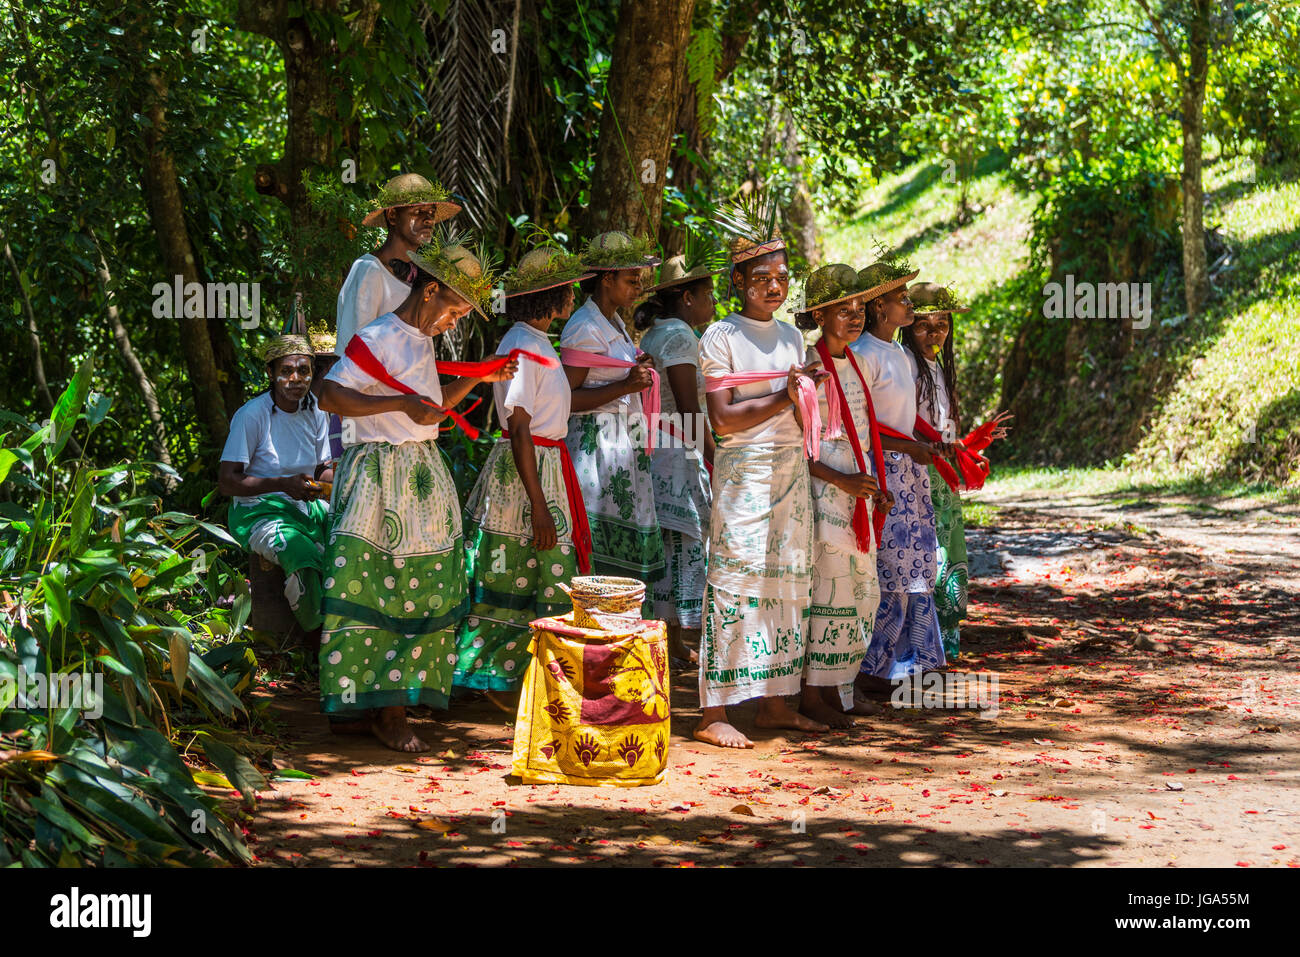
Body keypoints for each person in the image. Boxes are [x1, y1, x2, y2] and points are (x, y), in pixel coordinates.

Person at [316, 231, 515, 753]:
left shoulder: (421, 341)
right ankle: (385, 711)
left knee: (418, 584)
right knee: (380, 582)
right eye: (454, 310)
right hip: (381, 476)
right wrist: (400, 407)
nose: (455, 323)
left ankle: (379, 705)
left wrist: (478, 377)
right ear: (429, 291)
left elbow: (428, 405)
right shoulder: (379, 335)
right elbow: (330, 393)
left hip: (419, 474)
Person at [694, 196, 831, 749]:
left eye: (781, 277)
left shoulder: (794, 337)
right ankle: (712, 713)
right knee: (733, 582)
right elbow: (723, 421)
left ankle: (775, 704)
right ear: (738, 282)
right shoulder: (720, 338)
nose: (774, 287)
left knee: (787, 586)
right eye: (761, 278)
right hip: (742, 474)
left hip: (789, 472)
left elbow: (795, 405)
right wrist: (785, 392)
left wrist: (808, 391)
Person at [453, 244, 593, 704]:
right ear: (551, 297)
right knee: (518, 567)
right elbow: (518, 426)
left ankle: (531, 675)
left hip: (546, 464)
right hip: (528, 472)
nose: (573, 297)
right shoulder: (521, 344)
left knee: (537, 570)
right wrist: (538, 504)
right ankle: (493, 675)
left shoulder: (536, 343)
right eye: (568, 289)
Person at [794, 264, 892, 725]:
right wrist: (843, 482)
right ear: (819, 314)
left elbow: (867, 434)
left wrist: (876, 489)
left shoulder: (854, 361)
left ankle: (842, 688)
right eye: (843, 310)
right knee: (829, 592)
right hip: (826, 493)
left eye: (859, 309)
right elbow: (798, 447)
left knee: (860, 593)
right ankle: (815, 693)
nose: (855, 318)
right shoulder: (812, 366)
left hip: (858, 490)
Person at [849, 256, 951, 695]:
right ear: (878, 309)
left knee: (917, 564)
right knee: (888, 567)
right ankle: (874, 669)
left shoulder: (899, 354)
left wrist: (925, 446)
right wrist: (909, 448)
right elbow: (862, 427)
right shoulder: (863, 355)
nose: (909, 305)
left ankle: (916, 662)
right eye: (900, 298)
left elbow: (903, 421)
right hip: (881, 473)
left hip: (909, 470)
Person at [899, 283, 1012, 659]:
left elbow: (943, 426)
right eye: (924, 325)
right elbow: (904, 423)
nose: (935, 333)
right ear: (907, 326)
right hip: (919, 470)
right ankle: (918, 648)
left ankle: (942, 645)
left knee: (948, 554)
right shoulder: (905, 364)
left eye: (942, 324)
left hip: (941, 470)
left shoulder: (939, 367)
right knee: (928, 556)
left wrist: (967, 443)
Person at [633, 234, 724, 666]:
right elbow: (689, 407)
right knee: (676, 542)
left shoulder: (656, 333)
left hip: (655, 447)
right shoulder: (682, 337)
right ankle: (667, 640)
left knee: (665, 544)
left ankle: (668, 638)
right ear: (687, 298)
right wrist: (714, 455)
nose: (714, 303)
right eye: (708, 295)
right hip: (675, 451)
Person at [560, 231, 665, 598]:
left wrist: (636, 368)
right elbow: (567, 399)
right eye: (631, 280)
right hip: (595, 451)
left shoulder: (614, 323)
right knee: (599, 542)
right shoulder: (584, 328)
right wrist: (625, 385)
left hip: (620, 445)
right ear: (607, 279)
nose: (638, 288)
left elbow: (610, 371)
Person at [218, 335, 334, 635]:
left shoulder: (316, 411)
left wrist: (344, 483)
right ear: (270, 373)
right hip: (259, 512)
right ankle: (317, 635)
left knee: (347, 538)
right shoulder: (252, 415)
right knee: (301, 553)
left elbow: (321, 469)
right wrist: (282, 485)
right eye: (286, 371)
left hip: (305, 506)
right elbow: (228, 481)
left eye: (304, 371)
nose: (296, 379)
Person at [334, 172, 461, 355]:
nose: (428, 219)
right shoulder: (369, 270)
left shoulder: (423, 277)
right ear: (392, 215)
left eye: (431, 213)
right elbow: (352, 350)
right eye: (418, 211)